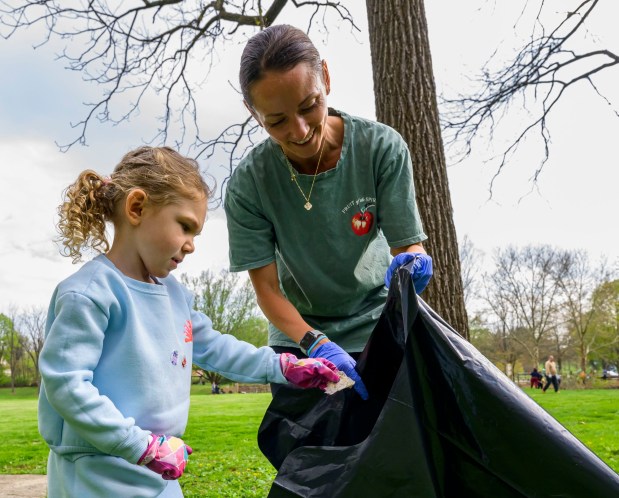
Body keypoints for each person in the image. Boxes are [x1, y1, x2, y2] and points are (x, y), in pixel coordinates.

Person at [38, 146, 340, 497]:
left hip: (159, 468)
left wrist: (283, 366)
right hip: (96, 472)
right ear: (137, 208)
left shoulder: (174, 295)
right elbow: (67, 385)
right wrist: (139, 446)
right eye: (185, 227)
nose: (192, 245)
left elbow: (217, 348)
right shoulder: (90, 293)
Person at [224, 24, 433, 401]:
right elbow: (268, 290)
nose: (300, 131)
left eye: (309, 106)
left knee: (395, 448)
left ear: (327, 77)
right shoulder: (248, 184)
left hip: (377, 327)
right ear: (253, 113)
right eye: (277, 120)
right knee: (308, 454)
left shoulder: (381, 148)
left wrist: (414, 263)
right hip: (299, 337)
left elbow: (408, 247)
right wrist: (315, 343)